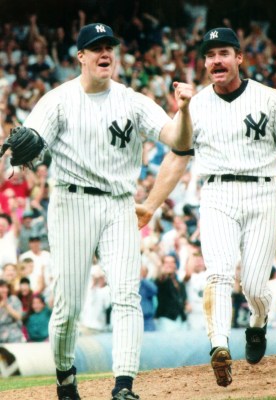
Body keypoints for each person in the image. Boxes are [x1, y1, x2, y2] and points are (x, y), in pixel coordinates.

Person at [19, 22, 192, 400]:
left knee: (127, 294)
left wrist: (185, 111)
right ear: (80, 56)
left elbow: (177, 140)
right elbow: (31, 140)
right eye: (96, 47)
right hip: (72, 203)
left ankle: (124, 385)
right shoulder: (58, 99)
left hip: (118, 205)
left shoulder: (132, 100)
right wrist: (21, 156)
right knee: (67, 306)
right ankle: (65, 375)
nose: (105, 53)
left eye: (109, 46)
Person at [136, 27, 276, 388]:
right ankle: (219, 347)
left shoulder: (270, 100)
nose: (215, 60)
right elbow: (177, 159)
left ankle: (257, 324)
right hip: (216, 194)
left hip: (262, 193)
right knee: (219, 272)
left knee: (256, 285)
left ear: (239, 58)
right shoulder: (195, 106)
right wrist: (150, 204)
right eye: (209, 55)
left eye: (223, 52)